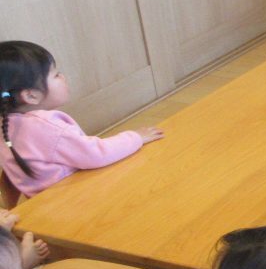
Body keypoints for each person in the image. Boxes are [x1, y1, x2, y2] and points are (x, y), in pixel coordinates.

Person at [0, 41, 163, 197]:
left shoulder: (6, 125)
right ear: (31, 96)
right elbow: (97, 154)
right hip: (77, 200)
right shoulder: (46, 126)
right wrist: (136, 137)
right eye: (56, 75)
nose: (63, 77)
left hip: (44, 206)